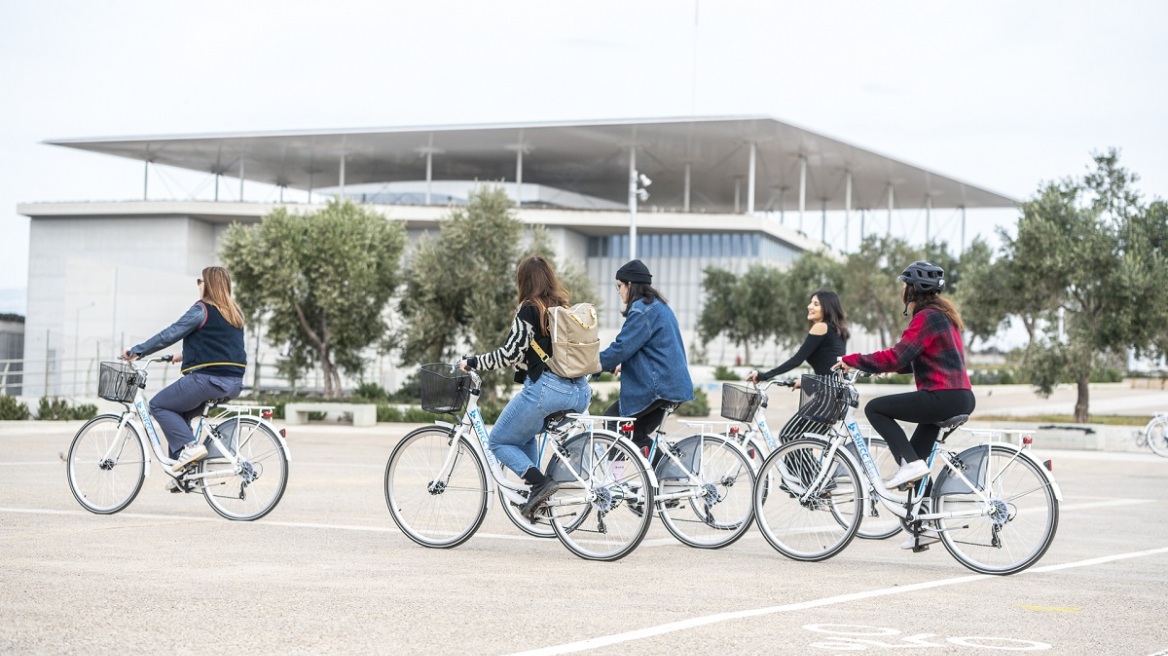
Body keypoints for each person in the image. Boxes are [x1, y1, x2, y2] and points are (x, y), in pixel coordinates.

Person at [836, 261, 975, 549]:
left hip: (942, 396)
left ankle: (909, 465)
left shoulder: (926, 318)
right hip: (958, 394)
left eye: (904, 285)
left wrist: (853, 360)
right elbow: (917, 358)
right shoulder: (942, 316)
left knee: (876, 409)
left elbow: (899, 355)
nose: (902, 290)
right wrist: (887, 368)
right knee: (917, 462)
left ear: (912, 289)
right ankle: (923, 527)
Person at [458, 256, 592, 519]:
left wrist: (472, 361)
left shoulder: (530, 309)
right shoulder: (563, 308)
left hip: (548, 392)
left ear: (524, 281)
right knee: (524, 434)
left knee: (497, 441)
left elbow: (509, 353)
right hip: (579, 392)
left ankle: (541, 484)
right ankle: (536, 495)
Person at [122, 266, 247, 482]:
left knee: (159, 405)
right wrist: (184, 354)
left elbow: (170, 334)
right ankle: (183, 474)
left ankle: (189, 448)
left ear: (209, 284)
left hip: (207, 380)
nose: (199, 285)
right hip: (233, 383)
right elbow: (220, 345)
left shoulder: (202, 310)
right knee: (180, 414)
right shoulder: (234, 313)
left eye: (201, 280)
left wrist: (138, 350)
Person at [600, 259, 694, 457]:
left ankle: (613, 481)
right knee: (636, 434)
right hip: (674, 385)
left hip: (660, 389)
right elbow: (652, 351)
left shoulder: (642, 310)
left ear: (630, 285)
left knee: (613, 420)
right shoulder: (660, 307)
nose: (618, 291)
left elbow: (622, 348)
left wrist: (589, 364)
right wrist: (620, 365)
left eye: (619, 286)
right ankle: (667, 478)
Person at [746, 290, 849, 466]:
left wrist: (763, 375)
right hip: (836, 393)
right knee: (800, 441)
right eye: (810, 303)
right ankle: (811, 487)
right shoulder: (837, 330)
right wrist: (807, 381)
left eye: (816, 304)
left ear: (827, 307)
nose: (810, 306)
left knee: (789, 436)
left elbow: (797, 360)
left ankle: (817, 487)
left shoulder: (821, 327)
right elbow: (830, 364)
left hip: (826, 396)